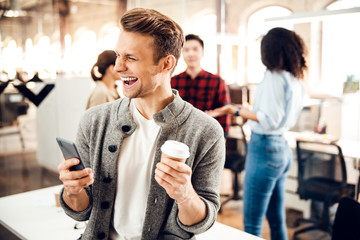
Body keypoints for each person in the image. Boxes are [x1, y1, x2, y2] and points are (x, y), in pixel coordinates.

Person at [57, 8, 225, 240]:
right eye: (118, 55)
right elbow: (81, 211)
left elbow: (200, 223)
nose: (118, 67)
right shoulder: (94, 121)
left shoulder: (207, 131)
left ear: (166, 65)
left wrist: (185, 195)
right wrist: (72, 190)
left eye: (131, 58)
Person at [207, 27, 307, 240]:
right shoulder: (295, 78)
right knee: (276, 218)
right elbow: (275, 116)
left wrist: (232, 110)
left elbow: (268, 119)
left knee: (252, 222)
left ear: (270, 50)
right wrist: (241, 109)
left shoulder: (274, 76)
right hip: (281, 150)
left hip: (265, 150)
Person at [171, 34, 231, 136]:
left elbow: (225, 111)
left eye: (195, 49)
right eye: (186, 50)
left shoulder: (216, 81)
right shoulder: (172, 81)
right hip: (179, 135)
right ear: (181, 53)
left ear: (202, 52)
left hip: (208, 134)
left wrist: (223, 136)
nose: (191, 54)